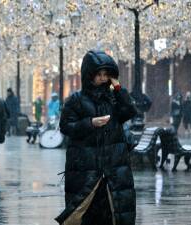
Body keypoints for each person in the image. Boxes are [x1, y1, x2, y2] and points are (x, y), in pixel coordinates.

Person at [56, 50, 137, 225]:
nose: (102, 78)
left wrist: (118, 88)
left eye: (105, 75)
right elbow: (66, 127)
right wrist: (90, 123)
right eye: (98, 75)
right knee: (88, 214)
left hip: (113, 168)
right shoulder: (76, 100)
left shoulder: (113, 98)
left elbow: (129, 111)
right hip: (87, 168)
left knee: (114, 211)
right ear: (89, 75)